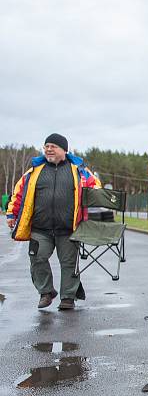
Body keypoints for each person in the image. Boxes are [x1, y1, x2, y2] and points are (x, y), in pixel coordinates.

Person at [6, 133, 101, 310]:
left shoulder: (79, 170)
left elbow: (96, 191)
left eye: (53, 146)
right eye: (46, 146)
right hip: (40, 228)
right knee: (37, 258)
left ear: (64, 150)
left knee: (69, 264)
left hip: (68, 228)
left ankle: (68, 297)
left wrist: (96, 216)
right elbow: (20, 193)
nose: (48, 149)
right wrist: (12, 214)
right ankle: (46, 292)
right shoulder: (34, 171)